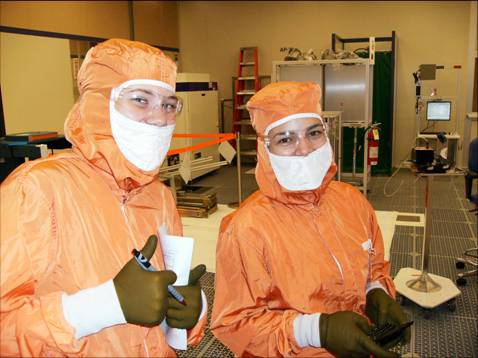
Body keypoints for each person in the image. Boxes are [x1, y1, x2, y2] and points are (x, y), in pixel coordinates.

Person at [0, 39, 207, 357]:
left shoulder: (160, 197)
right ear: (99, 104)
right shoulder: (36, 190)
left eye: (168, 104)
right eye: (140, 99)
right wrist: (104, 306)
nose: (158, 118)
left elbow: (166, 297)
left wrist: (191, 312)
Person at [211, 81, 410, 357]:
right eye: (285, 139)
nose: (304, 149)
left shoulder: (352, 202)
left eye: (313, 133)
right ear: (264, 150)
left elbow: (373, 266)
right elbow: (236, 323)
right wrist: (315, 329)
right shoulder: (246, 229)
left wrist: (376, 291)